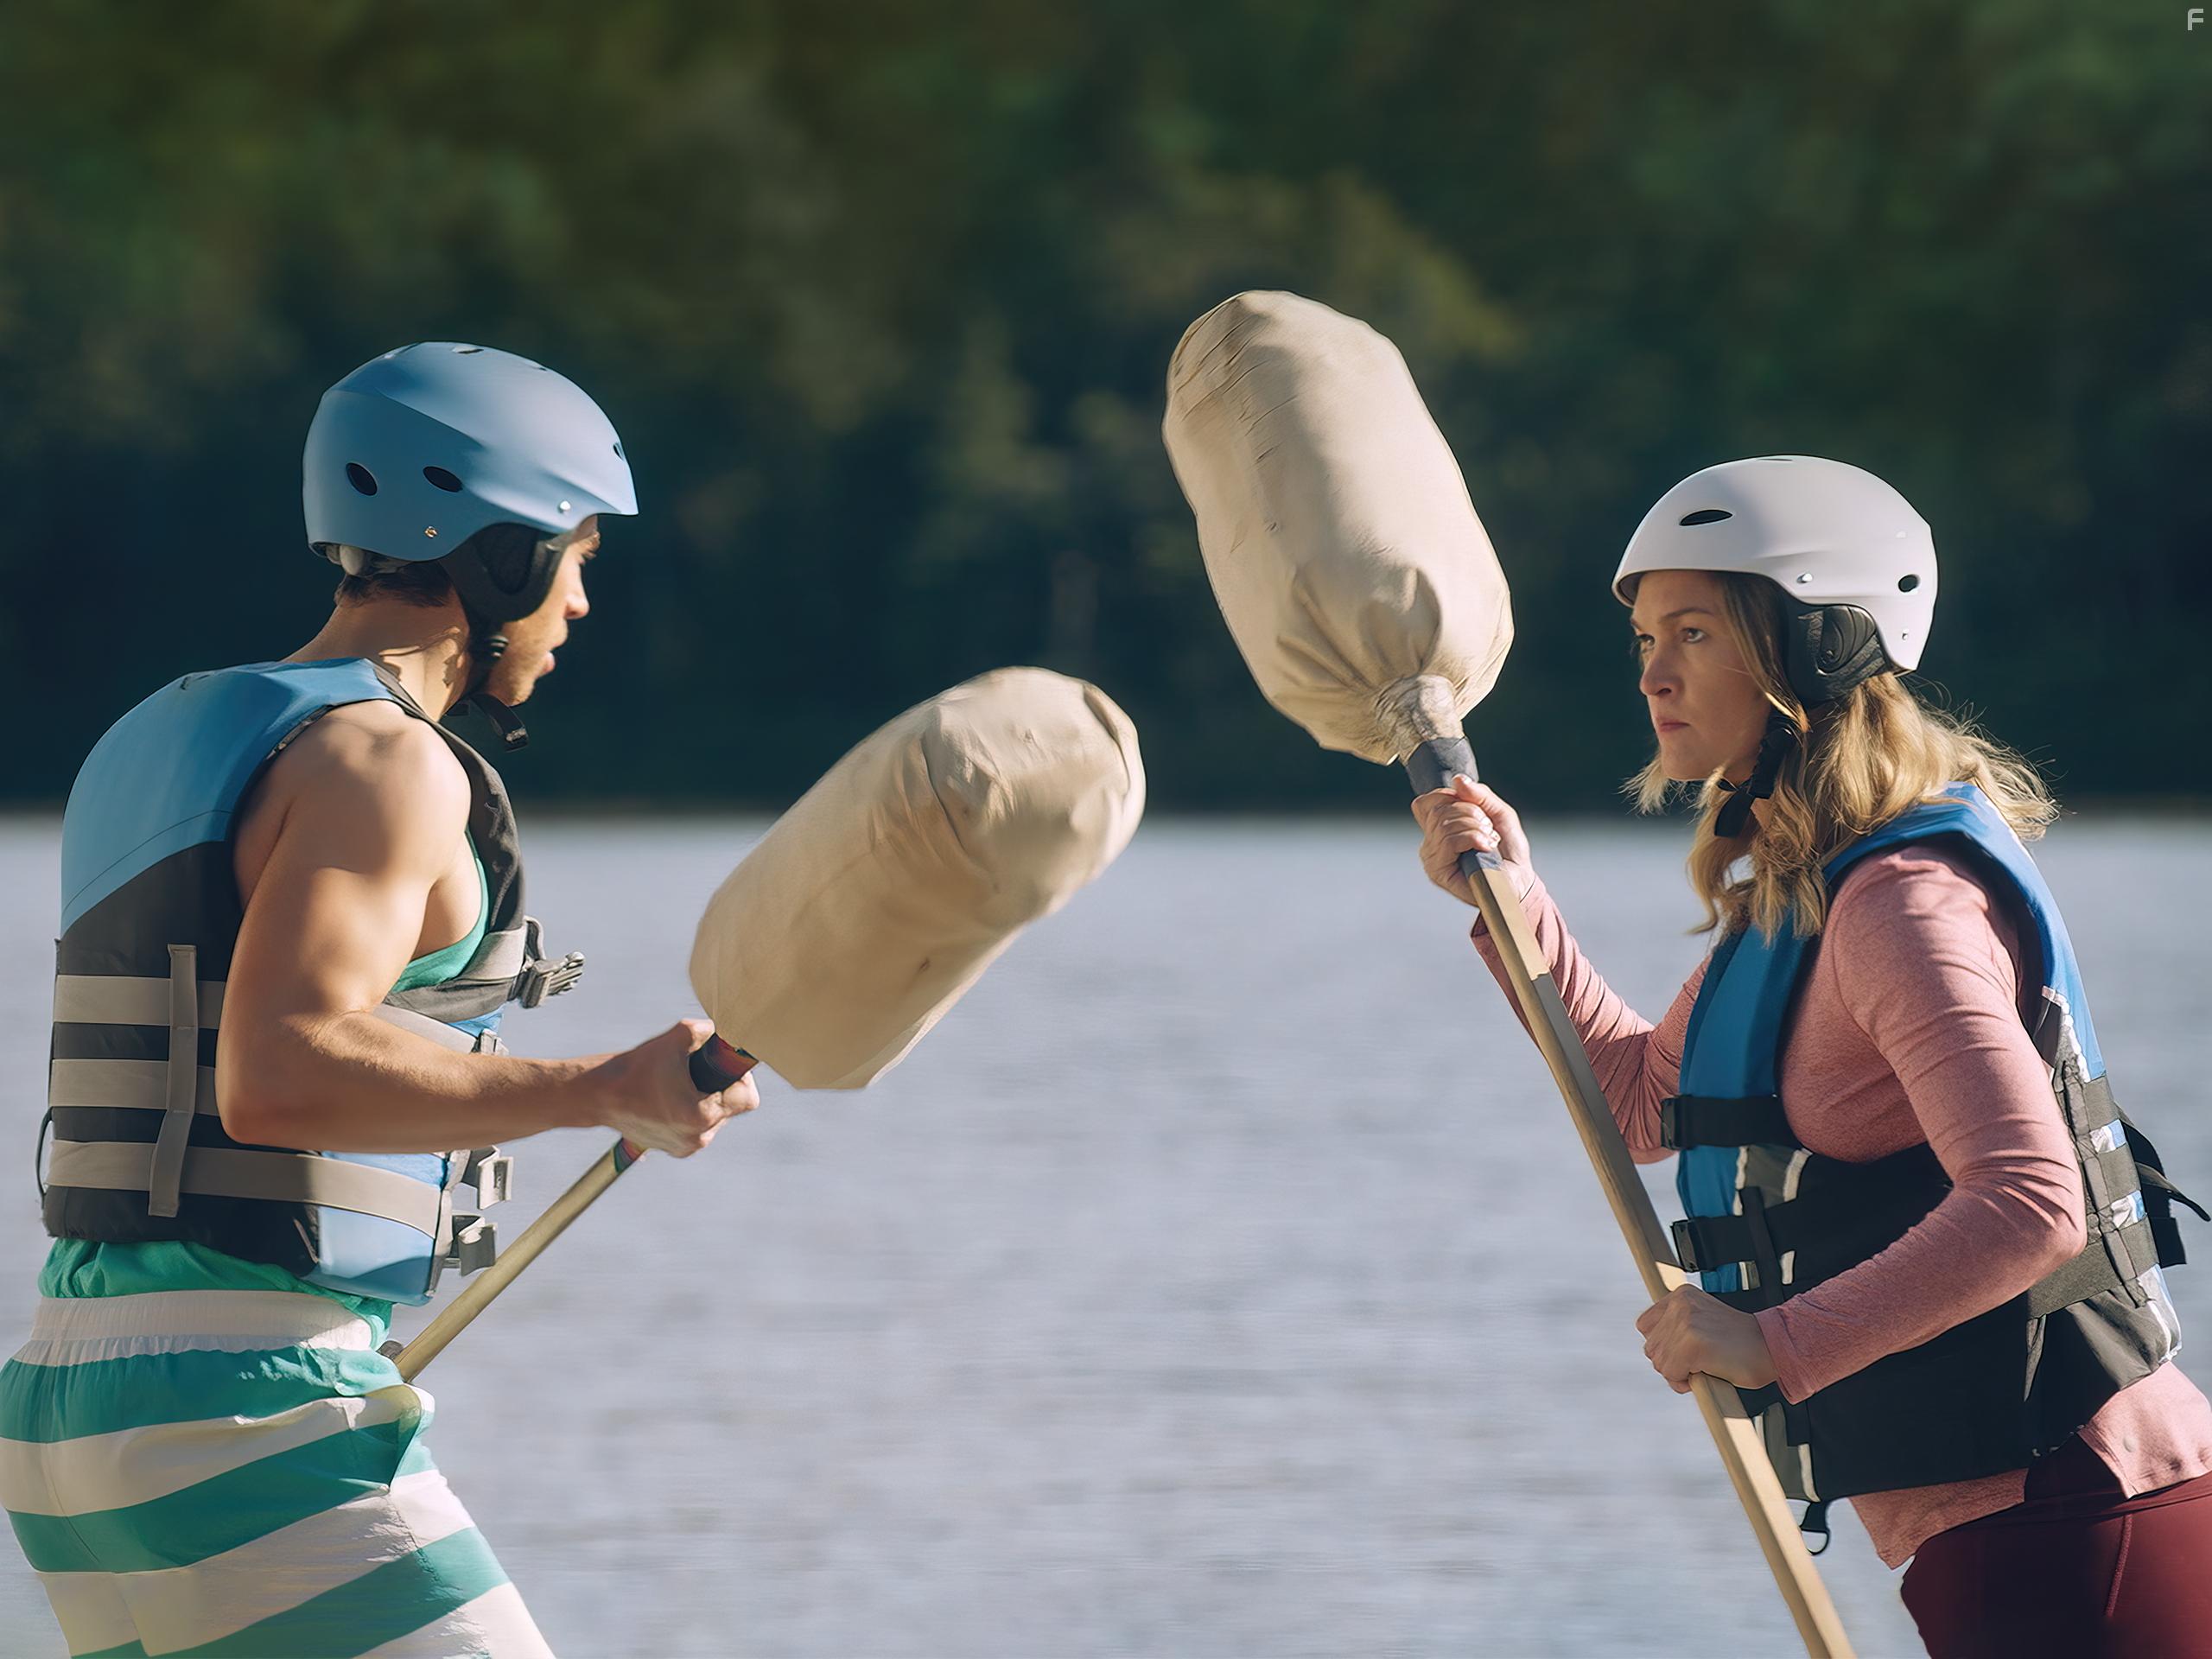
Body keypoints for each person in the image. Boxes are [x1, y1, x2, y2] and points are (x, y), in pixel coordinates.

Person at [2, 342, 757, 1657]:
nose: (582, 601)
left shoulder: (156, 735)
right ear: (502, 554)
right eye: (576, 556)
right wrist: (603, 1088)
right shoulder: (385, 762)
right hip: (240, 1404)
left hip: (72, 1410)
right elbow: (280, 1073)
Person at [1412, 456, 2212, 1656]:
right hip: (2021, 1530)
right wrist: (1514, 905)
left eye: (1695, 632)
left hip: (2076, 1520)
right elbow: (1643, 1105)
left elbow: (2033, 1202)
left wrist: (1774, 1343)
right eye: (1646, 638)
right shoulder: (1809, 893)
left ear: (1817, 646)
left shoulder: (1901, 905)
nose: (1653, 673)